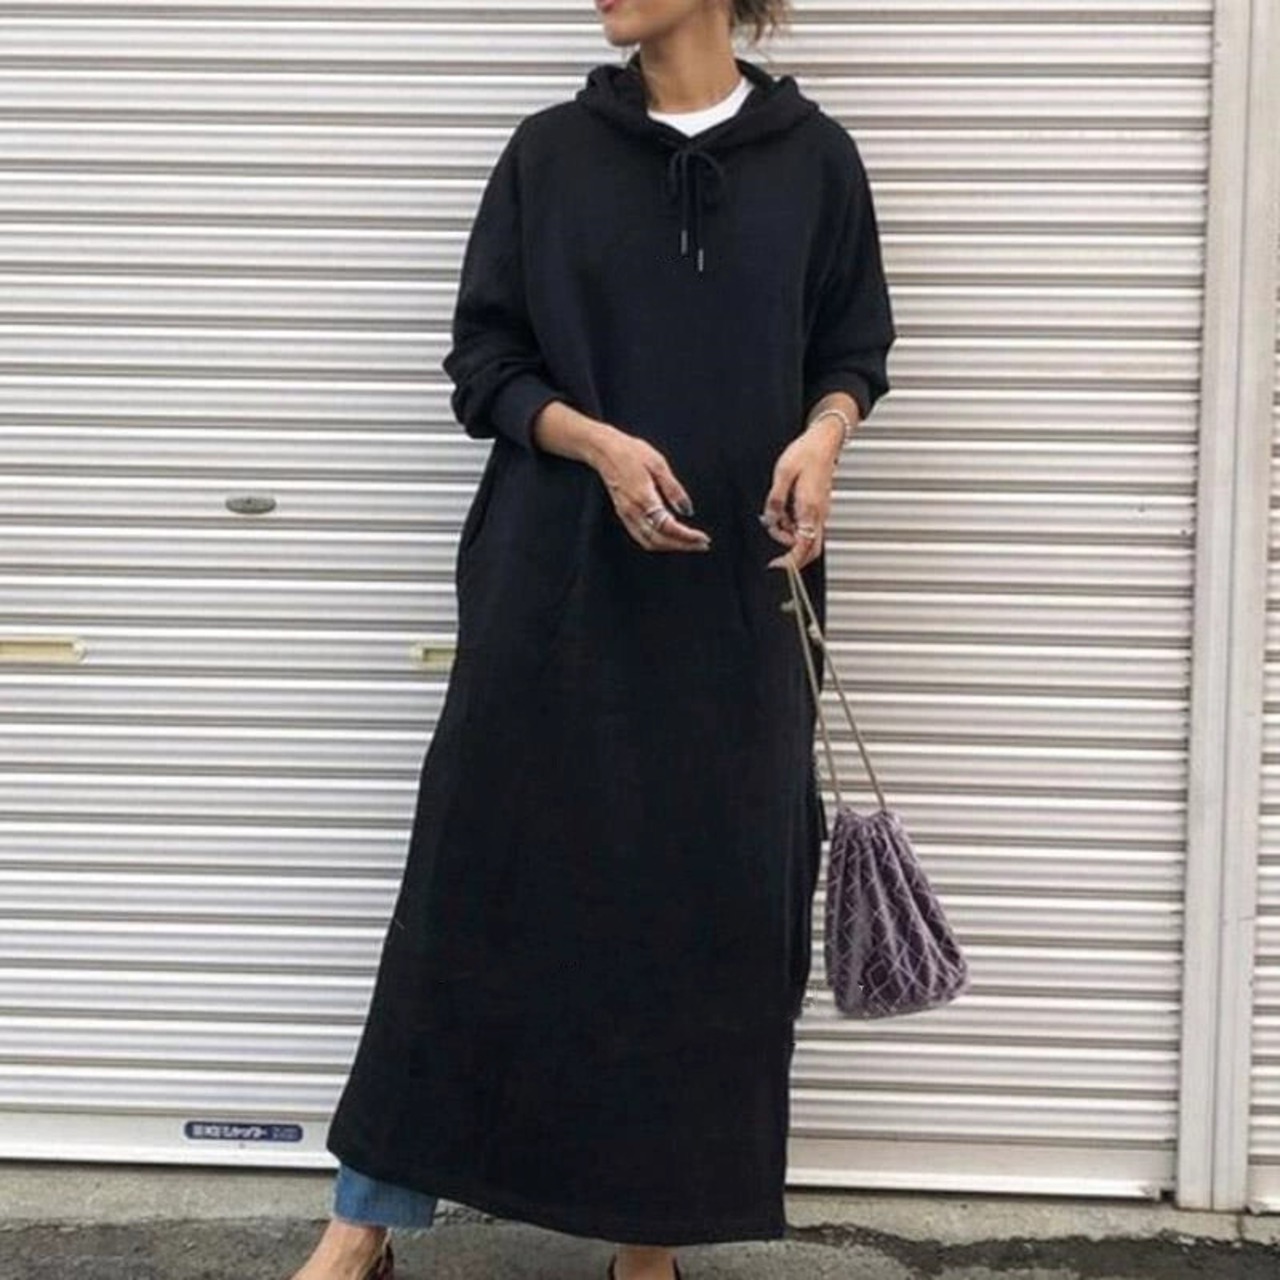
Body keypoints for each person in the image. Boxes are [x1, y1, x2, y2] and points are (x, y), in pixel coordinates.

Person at [291, 2, 895, 1278]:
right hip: (550, 584)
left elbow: (852, 346)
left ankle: (650, 1237)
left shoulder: (815, 159)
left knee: (707, 912)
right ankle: (361, 1224)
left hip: (736, 598)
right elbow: (483, 360)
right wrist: (596, 443)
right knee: (472, 886)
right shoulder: (548, 153)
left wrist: (822, 438)